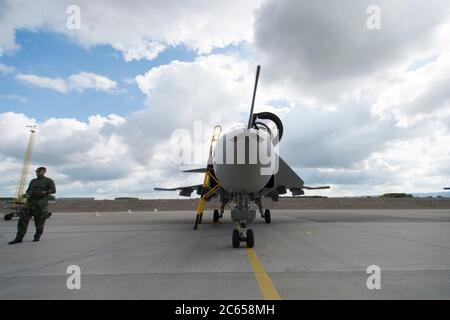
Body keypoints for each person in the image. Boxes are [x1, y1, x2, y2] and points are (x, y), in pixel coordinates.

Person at [9, 167, 56, 244]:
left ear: (44, 172)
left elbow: (53, 190)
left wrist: (45, 192)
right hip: (29, 203)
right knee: (22, 220)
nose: (37, 172)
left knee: (39, 222)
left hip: (40, 204)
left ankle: (37, 236)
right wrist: (28, 194)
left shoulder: (49, 181)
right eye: (36, 171)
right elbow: (28, 190)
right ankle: (19, 238)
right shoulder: (33, 181)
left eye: (39, 171)